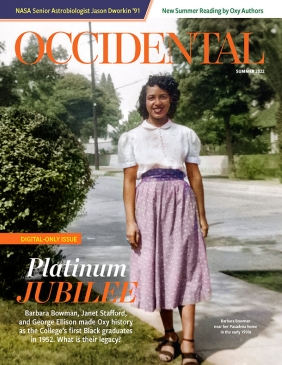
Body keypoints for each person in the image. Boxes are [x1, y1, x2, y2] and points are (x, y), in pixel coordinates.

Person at [118, 74, 211, 365]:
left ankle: (188, 342)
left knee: (185, 268)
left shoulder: (185, 134)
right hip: (148, 205)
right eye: (151, 97)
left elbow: (194, 176)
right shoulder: (131, 137)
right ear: (144, 102)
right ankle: (169, 334)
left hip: (181, 205)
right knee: (158, 267)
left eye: (162, 96)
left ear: (171, 100)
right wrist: (130, 221)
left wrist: (202, 215)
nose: (156, 102)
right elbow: (129, 182)